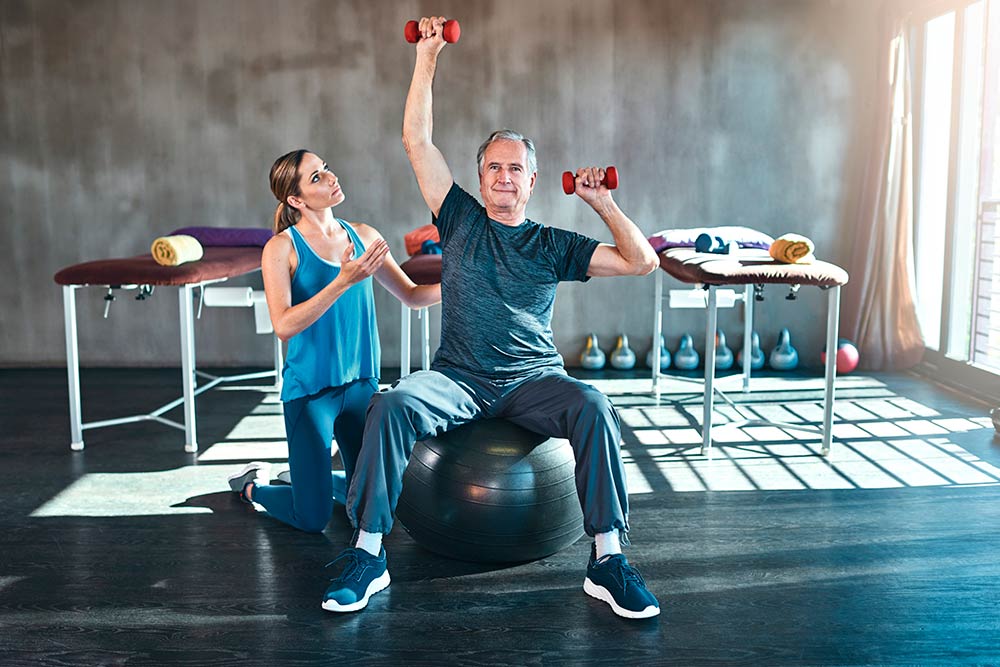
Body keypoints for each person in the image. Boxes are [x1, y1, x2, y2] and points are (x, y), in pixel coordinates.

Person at [321, 18, 661, 619]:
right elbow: (416, 141)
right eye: (493, 168)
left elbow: (642, 263)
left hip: (533, 380)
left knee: (594, 405)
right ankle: (368, 553)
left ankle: (608, 560)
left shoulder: (554, 243)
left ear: (532, 180)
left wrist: (602, 203)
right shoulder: (459, 219)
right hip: (458, 377)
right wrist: (427, 57)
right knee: (390, 405)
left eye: (515, 169)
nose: (504, 177)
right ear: (479, 179)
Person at [226, 149, 440, 535]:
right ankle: (253, 487)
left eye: (325, 168)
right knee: (313, 518)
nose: (330, 177)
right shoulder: (281, 249)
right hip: (311, 394)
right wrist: (343, 280)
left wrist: (465, 285)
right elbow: (284, 325)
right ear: (296, 200)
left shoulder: (365, 235)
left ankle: (307, 480)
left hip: (361, 387)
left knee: (367, 502)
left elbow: (411, 295)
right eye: (316, 178)